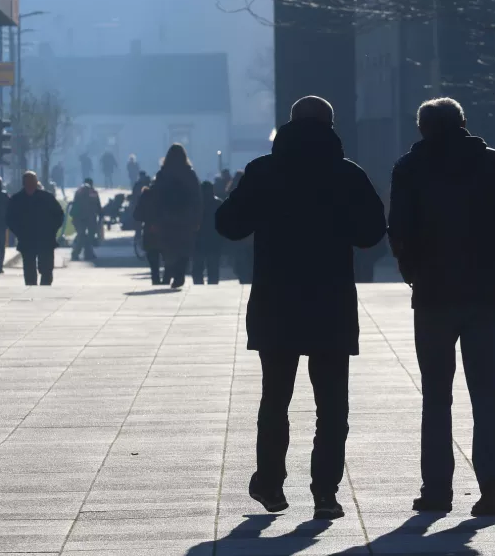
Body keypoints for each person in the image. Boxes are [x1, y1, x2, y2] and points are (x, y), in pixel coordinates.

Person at [216, 96, 386, 520]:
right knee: (332, 405)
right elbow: (371, 233)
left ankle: (271, 484)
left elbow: (229, 225)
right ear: (331, 125)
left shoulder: (263, 171)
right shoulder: (348, 174)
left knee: (276, 398)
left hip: (277, 301)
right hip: (330, 301)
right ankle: (326, 493)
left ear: (288, 125)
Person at [388, 98, 495, 517]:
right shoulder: (493, 163)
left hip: (433, 294)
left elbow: (398, 228)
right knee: (486, 388)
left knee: (436, 394)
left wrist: (411, 269)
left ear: (422, 128)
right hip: (485, 293)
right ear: (463, 124)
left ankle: (437, 491)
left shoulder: (409, 168)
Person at [136, 144, 202, 288]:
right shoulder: (189, 174)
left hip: (166, 217)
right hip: (185, 217)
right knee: (183, 246)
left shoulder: (163, 174)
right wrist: (196, 218)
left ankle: (171, 271)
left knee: (169, 246)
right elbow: (197, 197)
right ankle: (180, 274)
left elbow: (156, 196)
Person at [7, 171, 65, 285]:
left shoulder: (46, 197)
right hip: (27, 238)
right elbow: (10, 219)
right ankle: (31, 287)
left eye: (32, 181)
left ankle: (44, 287)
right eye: (28, 182)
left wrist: (52, 230)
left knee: (46, 268)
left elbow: (59, 215)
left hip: (45, 238)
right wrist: (19, 232)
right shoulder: (17, 199)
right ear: (24, 183)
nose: (30, 184)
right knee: (29, 267)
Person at [192, 181, 224, 285]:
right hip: (214, 239)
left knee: (198, 267)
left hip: (198, 239)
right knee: (213, 266)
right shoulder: (218, 203)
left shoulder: (196, 203)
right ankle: (213, 284)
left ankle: (198, 284)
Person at [71, 177, 102, 261]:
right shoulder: (93, 192)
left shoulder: (79, 191)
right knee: (88, 236)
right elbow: (97, 205)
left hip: (80, 217)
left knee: (82, 236)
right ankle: (87, 253)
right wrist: (100, 216)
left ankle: (77, 254)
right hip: (90, 217)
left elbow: (75, 204)